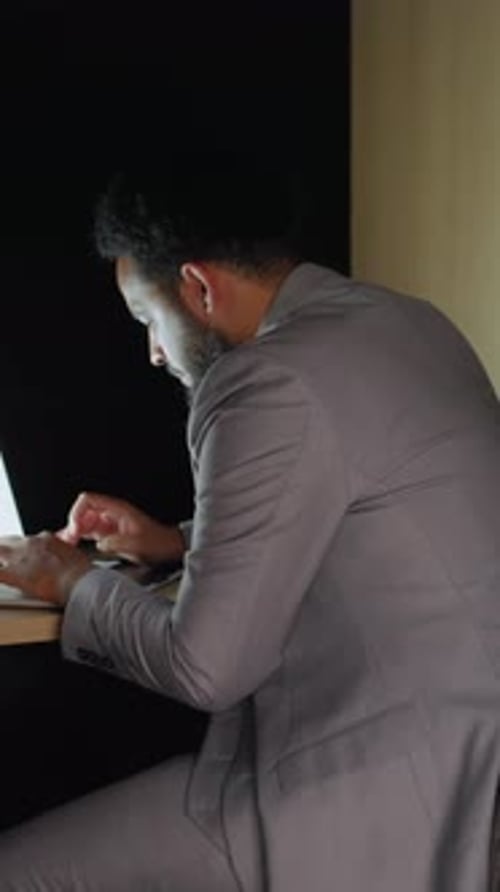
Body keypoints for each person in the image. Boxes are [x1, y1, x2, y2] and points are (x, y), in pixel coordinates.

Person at [1, 154, 500, 892]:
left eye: (148, 319)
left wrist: (72, 582)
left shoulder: (263, 379)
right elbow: (362, 513)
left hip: (359, 795)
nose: (152, 352)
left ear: (197, 286)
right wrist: (174, 541)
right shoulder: (408, 322)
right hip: (465, 779)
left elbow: (204, 667)